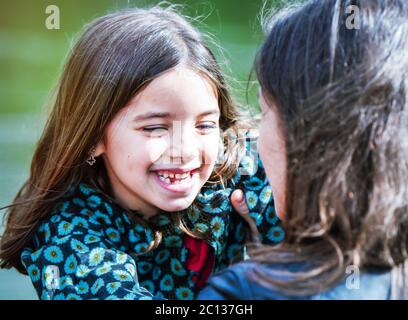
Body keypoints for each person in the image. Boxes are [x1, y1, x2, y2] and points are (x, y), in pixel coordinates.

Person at [0, 6, 284, 300]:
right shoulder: (69, 235)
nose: (185, 151)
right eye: (155, 128)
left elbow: (324, 255)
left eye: (205, 124)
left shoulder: (237, 165)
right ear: (93, 136)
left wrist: (280, 256)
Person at [198, 0, 408, 300]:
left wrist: (265, 267)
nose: (255, 139)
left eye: (264, 110)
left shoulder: (243, 292)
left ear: (309, 136)